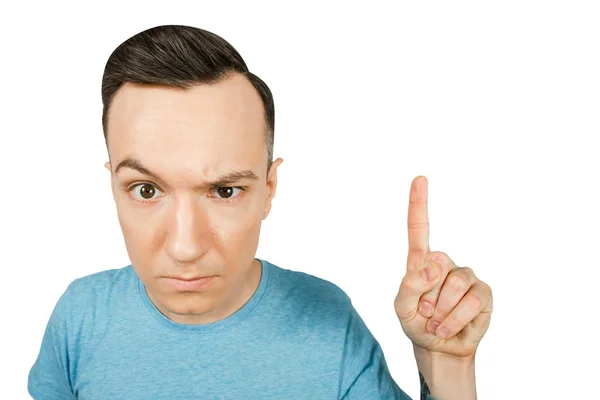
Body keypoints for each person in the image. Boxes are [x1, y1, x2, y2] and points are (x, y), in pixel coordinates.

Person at [28, 24, 493, 400]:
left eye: (225, 190)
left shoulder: (328, 325)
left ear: (269, 188)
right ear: (112, 184)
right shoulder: (79, 318)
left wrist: (451, 370)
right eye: (146, 189)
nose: (186, 247)